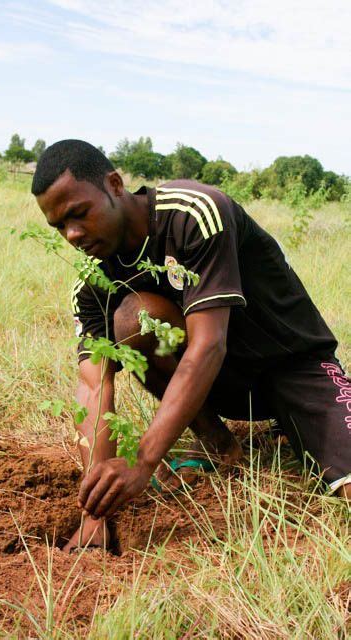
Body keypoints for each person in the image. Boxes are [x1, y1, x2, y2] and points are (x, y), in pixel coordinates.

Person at [32, 139, 350, 550]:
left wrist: (144, 460)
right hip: (221, 387)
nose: (72, 234)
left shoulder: (193, 214)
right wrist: (95, 512)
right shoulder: (93, 282)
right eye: (58, 226)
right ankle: (221, 448)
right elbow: (94, 387)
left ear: (114, 184)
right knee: (134, 318)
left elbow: (208, 346)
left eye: (79, 214)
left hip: (293, 367)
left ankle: (299, 423)